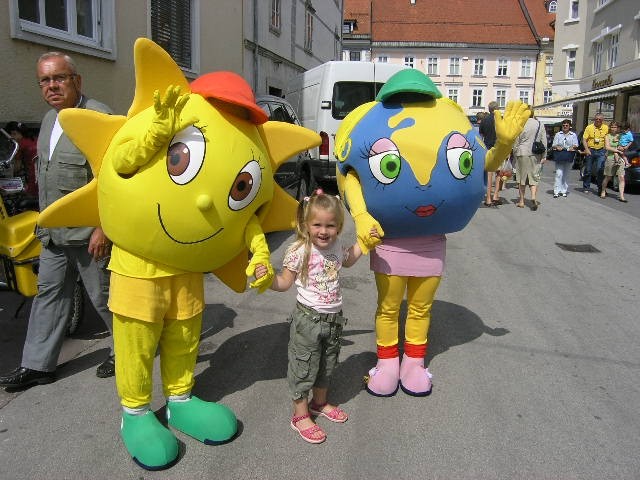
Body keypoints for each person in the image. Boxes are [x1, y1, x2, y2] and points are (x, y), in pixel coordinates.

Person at [0, 51, 115, 390]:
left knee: (104, 297)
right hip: (54, 235)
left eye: (58, 78)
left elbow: (114, 179)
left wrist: (103, 228)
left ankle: (123, 350)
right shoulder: (50, 120)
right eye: (44, 81)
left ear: (76, 81)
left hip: (88, 235)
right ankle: (38, 365)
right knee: (48, 295)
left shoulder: (98, 117)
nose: (51, 86)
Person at [256, 190, 376, 444]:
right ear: (306, 225)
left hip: (334, 320)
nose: (324, 231)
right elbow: (284, 282)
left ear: (339, 226)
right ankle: (300, 415)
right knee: (303, 366)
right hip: (308, 321)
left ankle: (319, 403)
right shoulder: (300, 250)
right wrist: (267, 279)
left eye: (330, 225)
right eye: (317, 225)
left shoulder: (335, 246)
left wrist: (364, 244)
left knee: (327, 364)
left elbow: (348, 259)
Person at [512, 106, 547, 210]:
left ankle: (522, 201)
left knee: (521, 179)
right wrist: (544, 156)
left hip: (522, 152)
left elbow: (516, 142)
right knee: (534, 177)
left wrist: (514, 154)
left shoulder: (520, 124)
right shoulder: (540, 124)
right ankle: (533, 197)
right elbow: (544, 141)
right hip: (535, 154)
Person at [3, 121, 38, 197]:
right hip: (40, 169)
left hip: (32, 173)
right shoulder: (34, 139)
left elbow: (17, 167)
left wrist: (7, 174)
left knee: (30, 195)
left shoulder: (19, 145)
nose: (12, 137)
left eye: (14, 134)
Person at [479, 101, 503, 206]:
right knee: (498, 173)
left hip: (488, 148)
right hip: (499, 149)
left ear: (489, 109)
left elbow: (481, 135)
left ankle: (488, 198)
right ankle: (495, 196)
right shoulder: (501, 120)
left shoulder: (484, 120)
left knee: (489, 174)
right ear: (497, 109)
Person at [582, 112, 609, 194]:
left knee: (600, 170)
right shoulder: (589, 127)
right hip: (591, 150)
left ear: (602, 120)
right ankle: (586, 187)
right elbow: (584, 139)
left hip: (601, 151)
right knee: (588, 170)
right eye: (596, 119)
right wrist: (586, 149)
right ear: (594, 119)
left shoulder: (606, 128)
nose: (598, 121)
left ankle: (601, 188)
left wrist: (606, 150)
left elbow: (609, 139)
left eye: (600, 119)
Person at [551, 119, 579, 198]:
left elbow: (576, 144)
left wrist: (572, 147)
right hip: (560, 155)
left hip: (569, 155)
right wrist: (557, 147)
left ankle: (564, 190)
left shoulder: (573, 135)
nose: (565, 127)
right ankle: (556, 191)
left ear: (569, 126)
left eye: (566, 125)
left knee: (566, 174)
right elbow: (553, 145)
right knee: (559, 173)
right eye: (563, 125)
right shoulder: (558, 134)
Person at [601, 121, 628, 202]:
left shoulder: (620, 136)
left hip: (620, 158)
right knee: (608, 177)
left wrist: (623, 148)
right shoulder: (607, 136)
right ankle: (603, 191)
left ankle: (621, 196)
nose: (613, 129)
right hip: (610, 157)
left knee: (621, 177)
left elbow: (625, 145)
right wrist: (617, 150)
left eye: (615, 127)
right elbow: (607, 147)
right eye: (612, 127)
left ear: (618, 128)